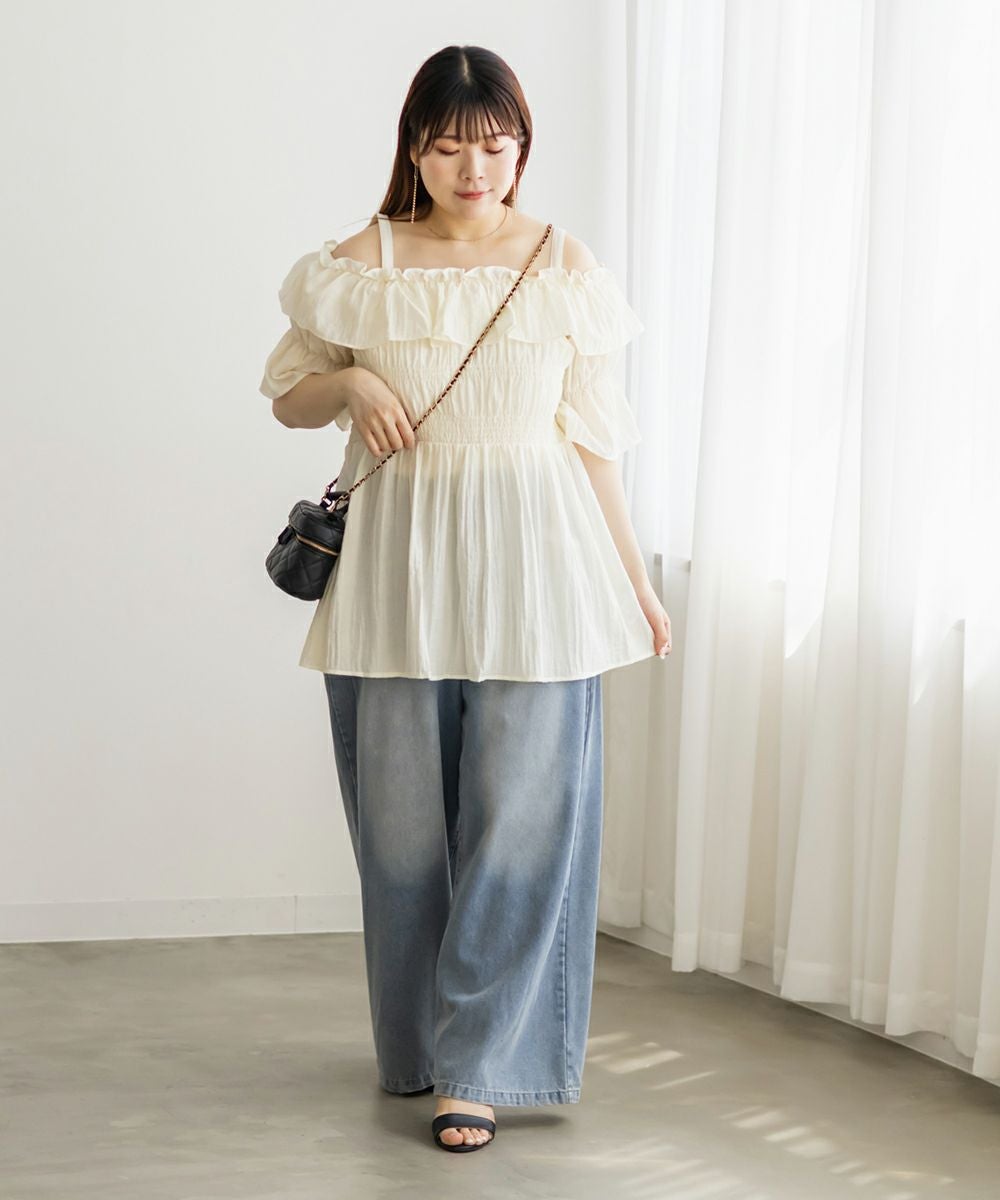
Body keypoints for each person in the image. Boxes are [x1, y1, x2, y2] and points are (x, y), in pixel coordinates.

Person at [259, 44, 672, 1154]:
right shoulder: (362, 262)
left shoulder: (563, 265)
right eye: (448, 147)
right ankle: (421, 1047)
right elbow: (289, 396)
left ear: (522, 147)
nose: (473, 169)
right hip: (396, 571)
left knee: (520, 830)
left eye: (494, 146)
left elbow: (593, 444)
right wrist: (349, 382)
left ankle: (479, 1067)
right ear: (414, 148)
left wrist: (633, 580)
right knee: (401, 838)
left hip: (542, 568)